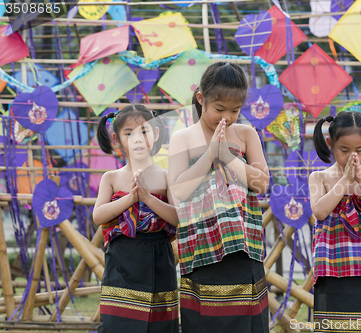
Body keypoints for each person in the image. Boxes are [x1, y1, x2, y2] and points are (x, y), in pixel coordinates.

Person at [168, 62, 270, 333]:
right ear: (201, 99)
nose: (226, 118)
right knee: (205, 323)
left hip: (243, 246)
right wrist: (211, 155)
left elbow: (261, 184)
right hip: (200, 248)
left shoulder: (246, 134)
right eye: (219, 109)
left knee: (246, 322)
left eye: (235, 111)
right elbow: (179, 190)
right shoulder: (183, 138)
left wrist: (227, 156)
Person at [93, 105, 179, 333]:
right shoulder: (111, 178)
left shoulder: (166, 176)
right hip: (122, 259)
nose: (137, 139)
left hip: (158, 257)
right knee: (118, 324)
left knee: (159, 325)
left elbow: (178, 217)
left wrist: (148, 198)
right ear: (117, 138)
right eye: (129, 133)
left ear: (156, 134)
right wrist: (131, 197)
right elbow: (98, 216)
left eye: (144, 131)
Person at [309, 109, 361, 333]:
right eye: (344, 150)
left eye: (360, 150)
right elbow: (319, 211)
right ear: (330, 143)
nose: (352, 156)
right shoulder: (319, 177)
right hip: (332, 267)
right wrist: (345, 180)